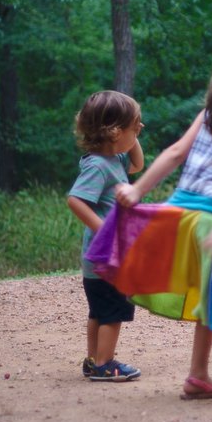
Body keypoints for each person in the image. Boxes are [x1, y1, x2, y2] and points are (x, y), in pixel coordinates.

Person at [86, 39, 212, 408]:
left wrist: (137, 189)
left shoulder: (210, 113)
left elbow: (175, 151)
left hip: (179, 216)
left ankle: (198, 376)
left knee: (211, 299)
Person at [67, 90, 145, 382]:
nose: (139, 129)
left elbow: (138, 165)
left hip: (101, 259)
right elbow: (75, 200)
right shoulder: (98, 165)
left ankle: (93, 360)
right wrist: (105, 230)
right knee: (112, 311)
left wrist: (132, 133)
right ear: (114, 132)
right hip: (105, 256)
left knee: (98, 312)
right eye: (134, 125)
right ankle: (105, 364)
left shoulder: (114, 159)